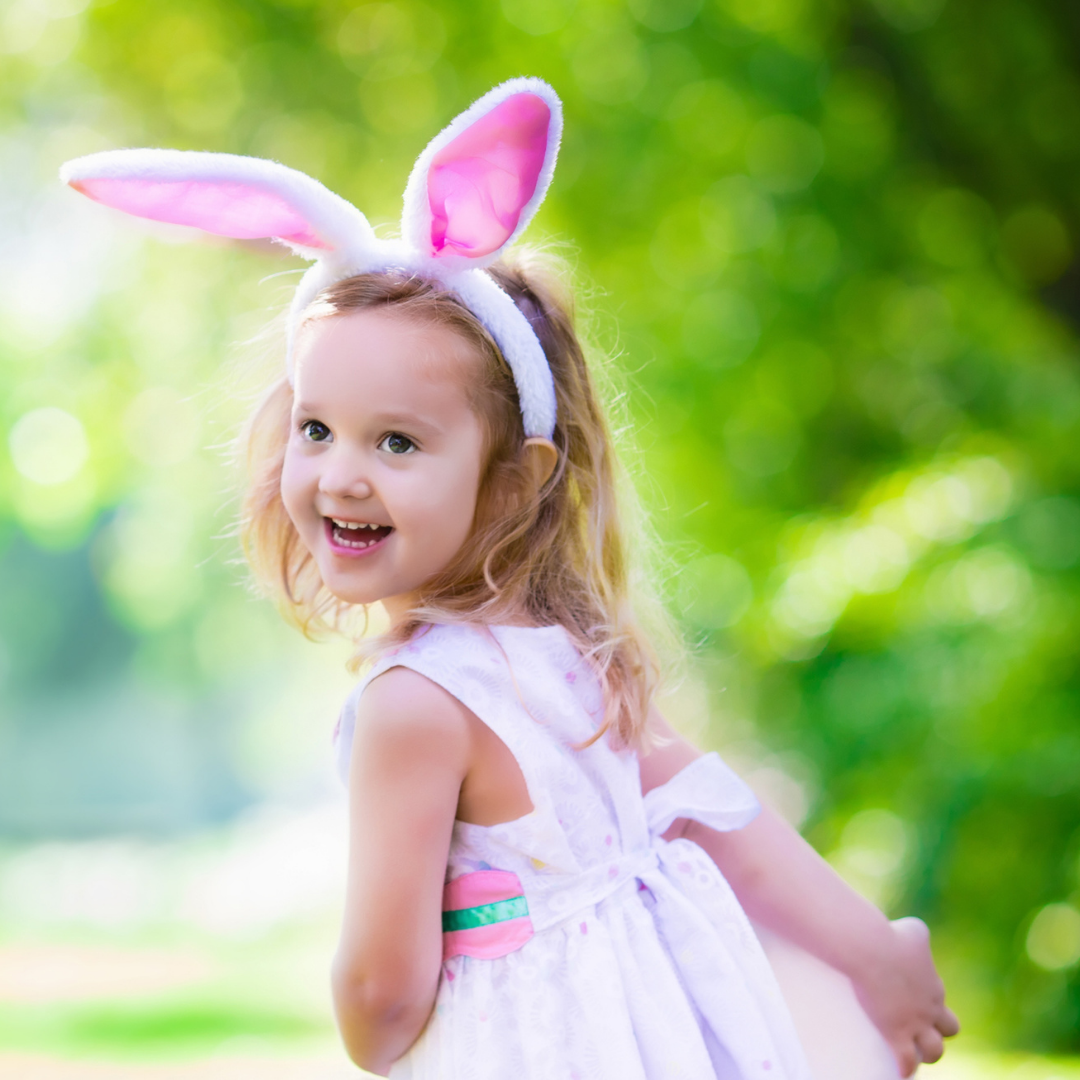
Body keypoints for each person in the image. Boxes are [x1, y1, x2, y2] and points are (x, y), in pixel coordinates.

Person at [62, 79, 958, 1080]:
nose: (341, 472)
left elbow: (381, 995)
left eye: (398, 440)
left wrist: (374, 1034)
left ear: (513, 482)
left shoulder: (416, 705)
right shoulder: (578, 662)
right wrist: (874, 954)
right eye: (318, 429)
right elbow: (722, 817)